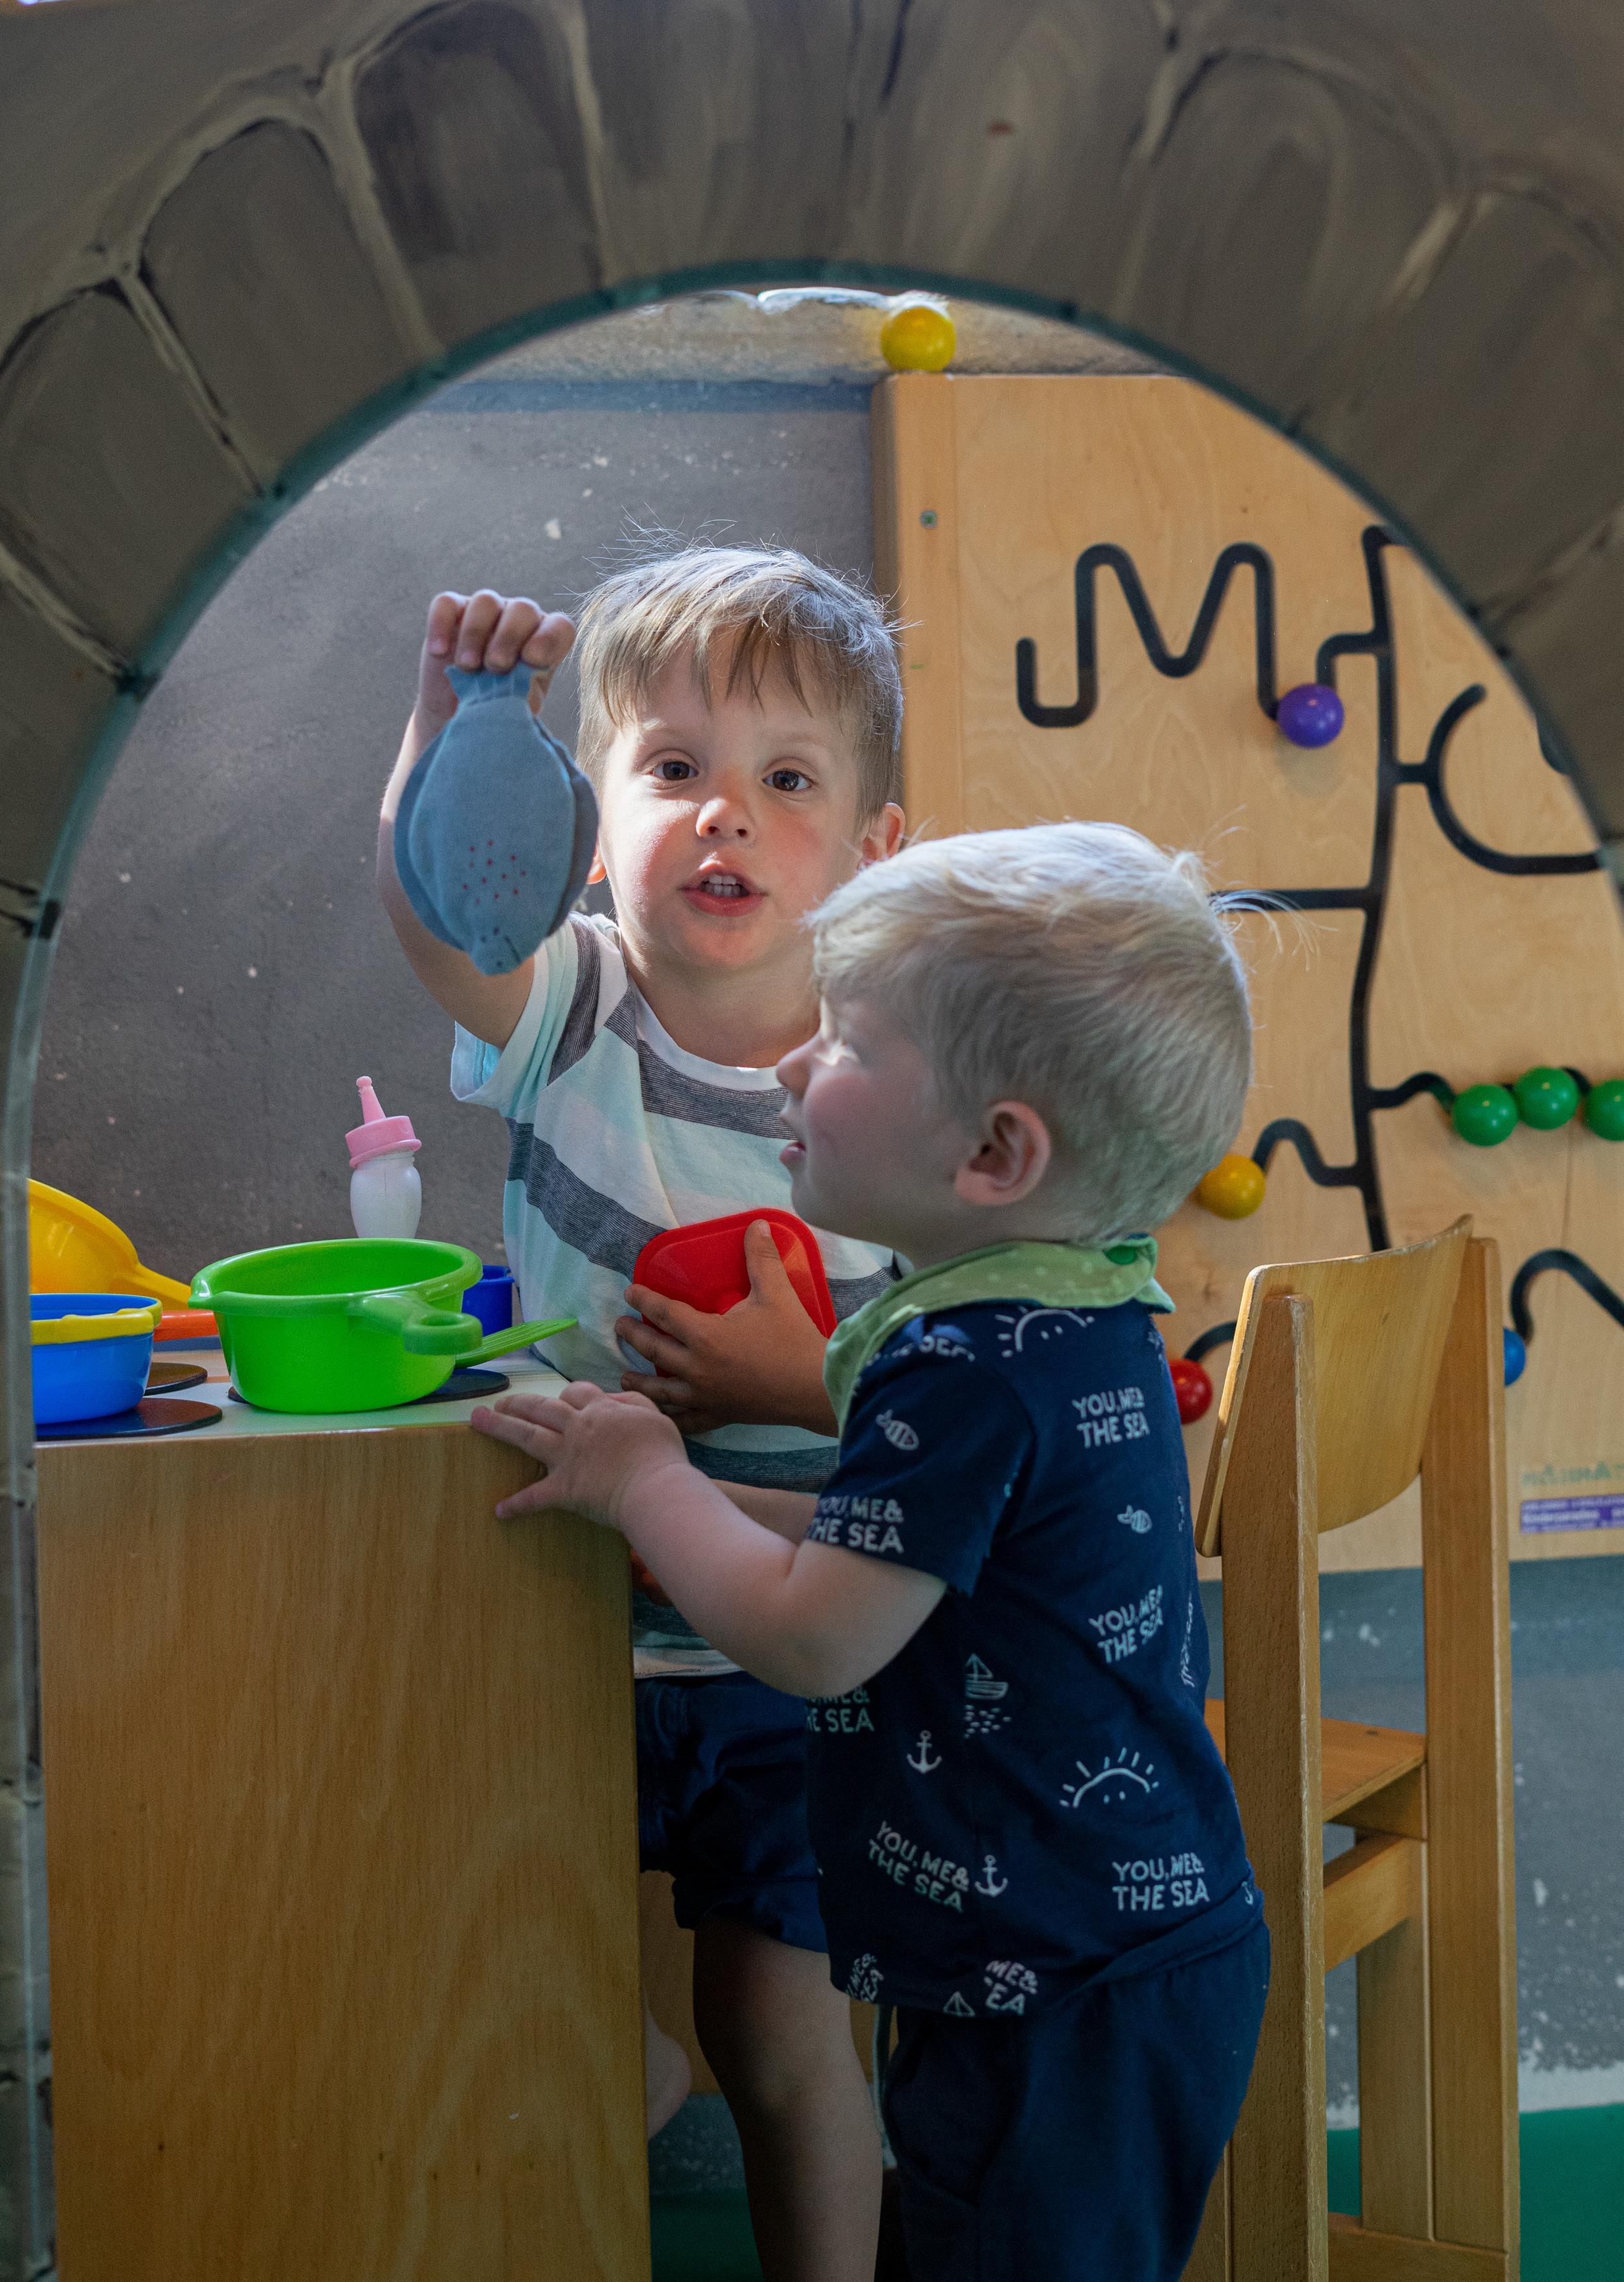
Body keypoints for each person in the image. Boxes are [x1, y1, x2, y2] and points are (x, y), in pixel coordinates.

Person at [469, 823, 1272, 2282]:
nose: (786, 1066)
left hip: (1057, 1978)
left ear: (990, 1151)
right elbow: (906, 1554)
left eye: (840, 1041)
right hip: (1082, 1944)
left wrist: (653, 1479)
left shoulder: (959, 1362)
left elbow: (811, 1634)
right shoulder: (1067, 1311)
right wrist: (682, 1508)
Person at [378, 547, 905, 2282]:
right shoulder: (575, 1002)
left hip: (788, 1629)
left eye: (782, 780)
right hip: (565, 1614)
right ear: (593, 828)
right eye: (672, 773)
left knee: (777, 2033)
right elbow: (450, 921)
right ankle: (626, 2056)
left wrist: (795, 1381)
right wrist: (453, 730)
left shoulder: (895, 1082)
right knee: (506, 1964)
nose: (723, 819)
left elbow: (956, 1387)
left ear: (872, 847)